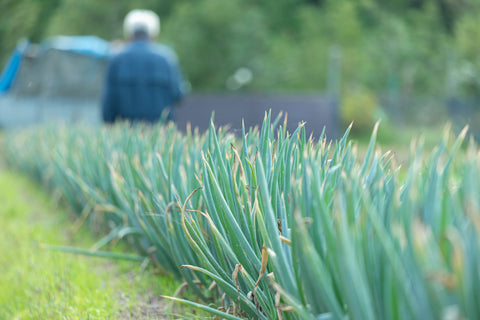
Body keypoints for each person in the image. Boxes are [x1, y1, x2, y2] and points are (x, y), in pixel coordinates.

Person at [102, 9, 185, 124]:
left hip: (125, 131)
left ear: (130, 33)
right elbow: (178, 95)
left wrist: (109, 125)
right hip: (159, 129)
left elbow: (108, 101)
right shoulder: (166, 58)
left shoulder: (116, 59)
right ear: (153, 33)